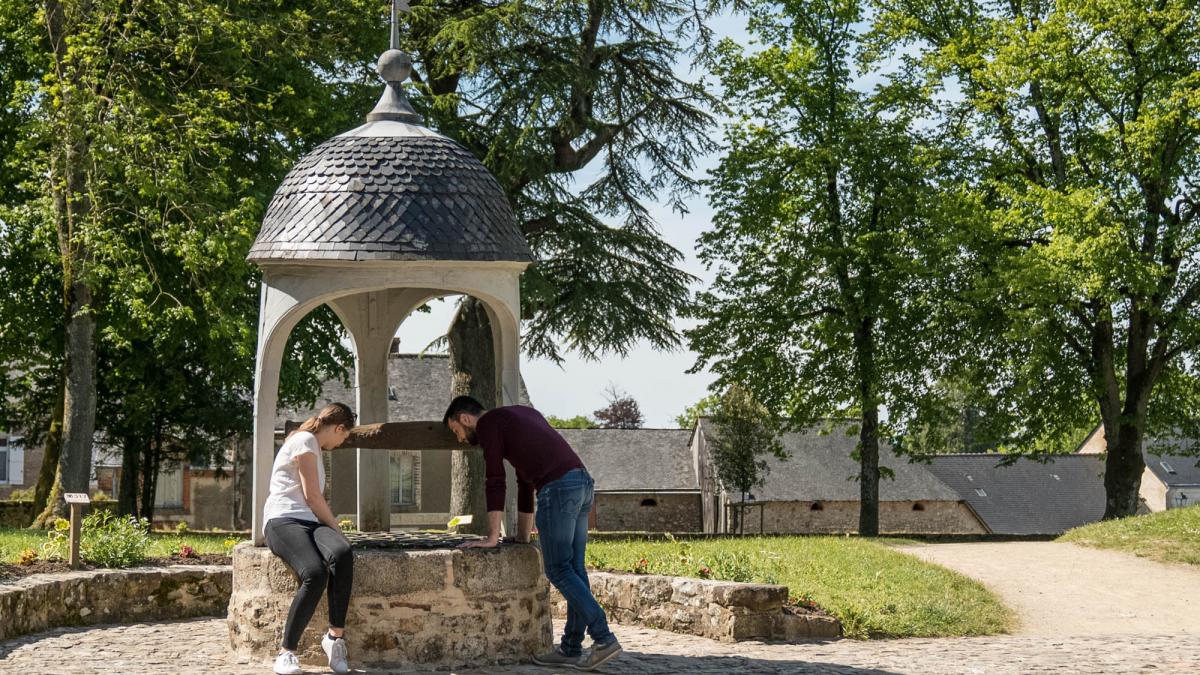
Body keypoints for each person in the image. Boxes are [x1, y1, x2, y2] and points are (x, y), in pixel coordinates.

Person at [444, 395, 622, 671]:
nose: (460, 439)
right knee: (574, 569)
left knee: (559, 570)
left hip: (559, 489)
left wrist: (492, 537)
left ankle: (603, 637)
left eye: (456, 431)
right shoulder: (521, 416)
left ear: (465, 419)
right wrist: (523, 537)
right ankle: (571, 649)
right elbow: (524, 482)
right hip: (582, 483)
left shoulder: (488, 424)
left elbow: (495, 479)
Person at [262, 402, 357, 675]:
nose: (341, 443)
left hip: (310, 521)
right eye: (344, 436)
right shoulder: (304, 440)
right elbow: (312, 496)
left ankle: (334, 638)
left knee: (342, 552)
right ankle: (286, 653)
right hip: (283, 519)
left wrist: (337, 537)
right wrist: (336, 527)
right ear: (339, 428)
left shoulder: (312, 445)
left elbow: (312, 503)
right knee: (315, 572)